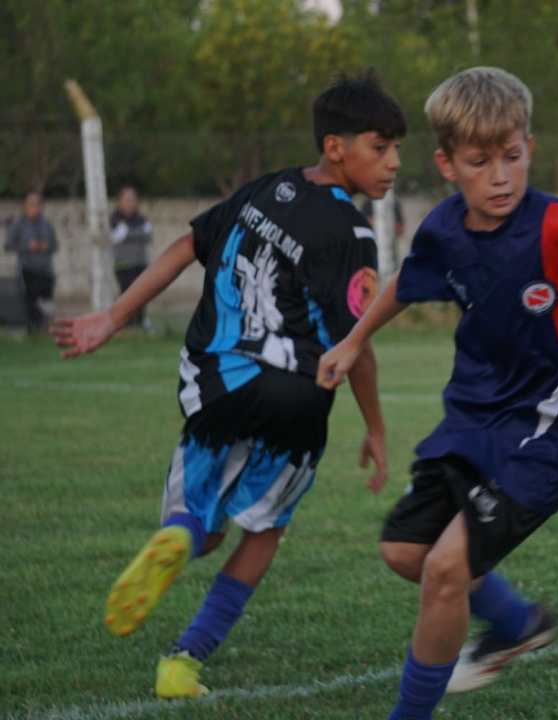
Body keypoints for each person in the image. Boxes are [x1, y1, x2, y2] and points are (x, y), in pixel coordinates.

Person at [316, 66, 558, 720]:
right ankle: (517, 623)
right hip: (475, 420)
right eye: (479, 162)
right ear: (447, 164)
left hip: (557, 426)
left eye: (512, 157)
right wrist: (353, 340)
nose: (500, 177)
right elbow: (408, 280)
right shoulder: (444, 229)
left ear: (529, 149)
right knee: (404, 551)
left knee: (445, 571)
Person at [49, 70, 404, 699]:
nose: (394, 162)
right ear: (336, 147)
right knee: (262, 529)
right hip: (297, 396)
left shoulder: (265, 188)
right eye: (381, 147)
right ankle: (184, 660)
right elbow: (357, 346)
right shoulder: (351, 233)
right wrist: (376, 427)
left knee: (199, 523)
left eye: (396, 147)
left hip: (222, 381)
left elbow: (186, 246)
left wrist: (114, 316)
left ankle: (182, 534)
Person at [5, 191, 58, 332]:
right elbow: (8, 245)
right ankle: (31, 330)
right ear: (25, 206)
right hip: (27, 270)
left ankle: (45, 329)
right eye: (32, 204)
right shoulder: (18, 224)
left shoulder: (47, 225)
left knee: (46, 304)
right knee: (29, 303)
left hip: (45, 271)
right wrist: (27, 246)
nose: (35, 207)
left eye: (38, 204)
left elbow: (55, 245)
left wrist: (46, 246)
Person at [110, 186, 154, 329]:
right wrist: (136, 233)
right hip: (123, 265)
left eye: (133, 199)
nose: (131, 203)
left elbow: (148, 235)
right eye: (127, 200)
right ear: (120, 202)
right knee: (127, 296)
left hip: (140, 263)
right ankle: (127, 325)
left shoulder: (142, 219)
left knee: (142, 295)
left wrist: (129, 233)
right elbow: (117, 236)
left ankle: (140, 323)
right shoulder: (114, 219)